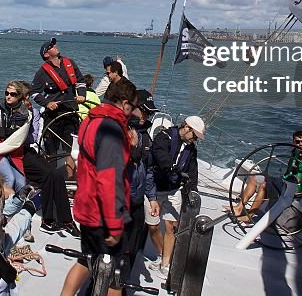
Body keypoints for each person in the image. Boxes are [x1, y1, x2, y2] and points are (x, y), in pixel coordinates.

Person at [60, 78, 137, 296]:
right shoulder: (112, 129)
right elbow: (109, 180)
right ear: (123, 103)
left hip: (86, 206)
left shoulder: (90, 121)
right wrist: (114, 224)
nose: (132, 112)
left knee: (86, 260)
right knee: (114, 276)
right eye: (131, 106)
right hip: (102, 214)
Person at [150, 115, 204, 276]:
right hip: (156, 187)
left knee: (171, 227)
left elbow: (192, 171)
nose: (194, 140)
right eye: (194, 135)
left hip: (174, 189)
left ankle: (165, 263)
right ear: (186, 128)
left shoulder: (191, 149)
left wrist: (192, 190)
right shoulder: (164, 137)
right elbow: (160, 155)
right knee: (152, 226)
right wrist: (172, 169)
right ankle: (161, 253)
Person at [230, 130, 302, 223]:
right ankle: (239, 208)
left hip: (295, 189)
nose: (301, 144)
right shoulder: (295, 152)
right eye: (298, 142)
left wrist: (299, 177)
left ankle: (249, 217)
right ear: (293, 142)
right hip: (285, 182)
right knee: (254, 178)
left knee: (264, 185)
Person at [31, 38, 85, 161]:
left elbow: (80, 81)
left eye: (54, 44)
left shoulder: (70, 63)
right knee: (51, 151)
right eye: (51, 46)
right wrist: (47, 103)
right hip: (53, 116)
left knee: (72, 152)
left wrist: (82, 95)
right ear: (46, 54)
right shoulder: (42, 72)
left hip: (70, 113)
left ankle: (70, 178)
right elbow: (34, 93)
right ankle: (52, 177)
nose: (55, 45)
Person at [125, 88, 159, 278]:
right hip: (117, 200)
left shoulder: (146, 137)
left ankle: (122, 282)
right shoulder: (118, 131)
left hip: (136, 201)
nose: (146, 117)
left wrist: (152, 197)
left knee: (131, 247)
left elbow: (148, 171)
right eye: (144, 111)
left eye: (149, 113)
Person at [0, 81, 30, 192]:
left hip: (13, 153)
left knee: (21, 183)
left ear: (19, 96)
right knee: (10, 179)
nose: (8, 96)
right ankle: (3, 206)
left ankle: (15, 206)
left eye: (12, 94)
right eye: (6, 93)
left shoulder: (26, 115)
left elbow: (16, 141)